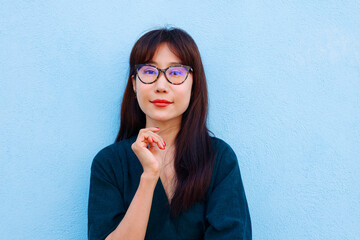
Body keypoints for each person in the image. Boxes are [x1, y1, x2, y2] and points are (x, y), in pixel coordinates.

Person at [87, 27, 251, 240]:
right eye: (149, 71)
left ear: (194, 84)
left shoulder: (219, 158)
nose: (161, 85)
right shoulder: (108, 164)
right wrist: (148, 177)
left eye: (176, 73)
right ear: (134, 84)